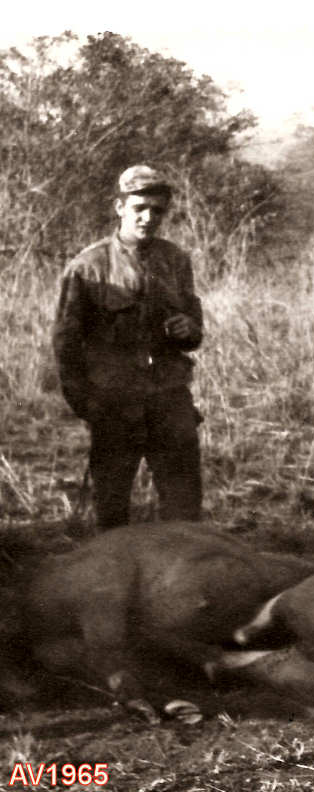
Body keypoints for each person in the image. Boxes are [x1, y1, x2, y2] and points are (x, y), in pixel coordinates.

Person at [52, 165, 204, 529]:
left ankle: (178, 561)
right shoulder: (88, 267)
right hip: (115, 402)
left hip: (168, 398)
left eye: (157, 210)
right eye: (139, 208)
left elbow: (194, 328)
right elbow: (66, 342)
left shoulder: (175, 261)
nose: (148, 217)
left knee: (184, 503)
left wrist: (188, 329)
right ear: (119, 207)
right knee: (112, 505)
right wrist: (86, 402)